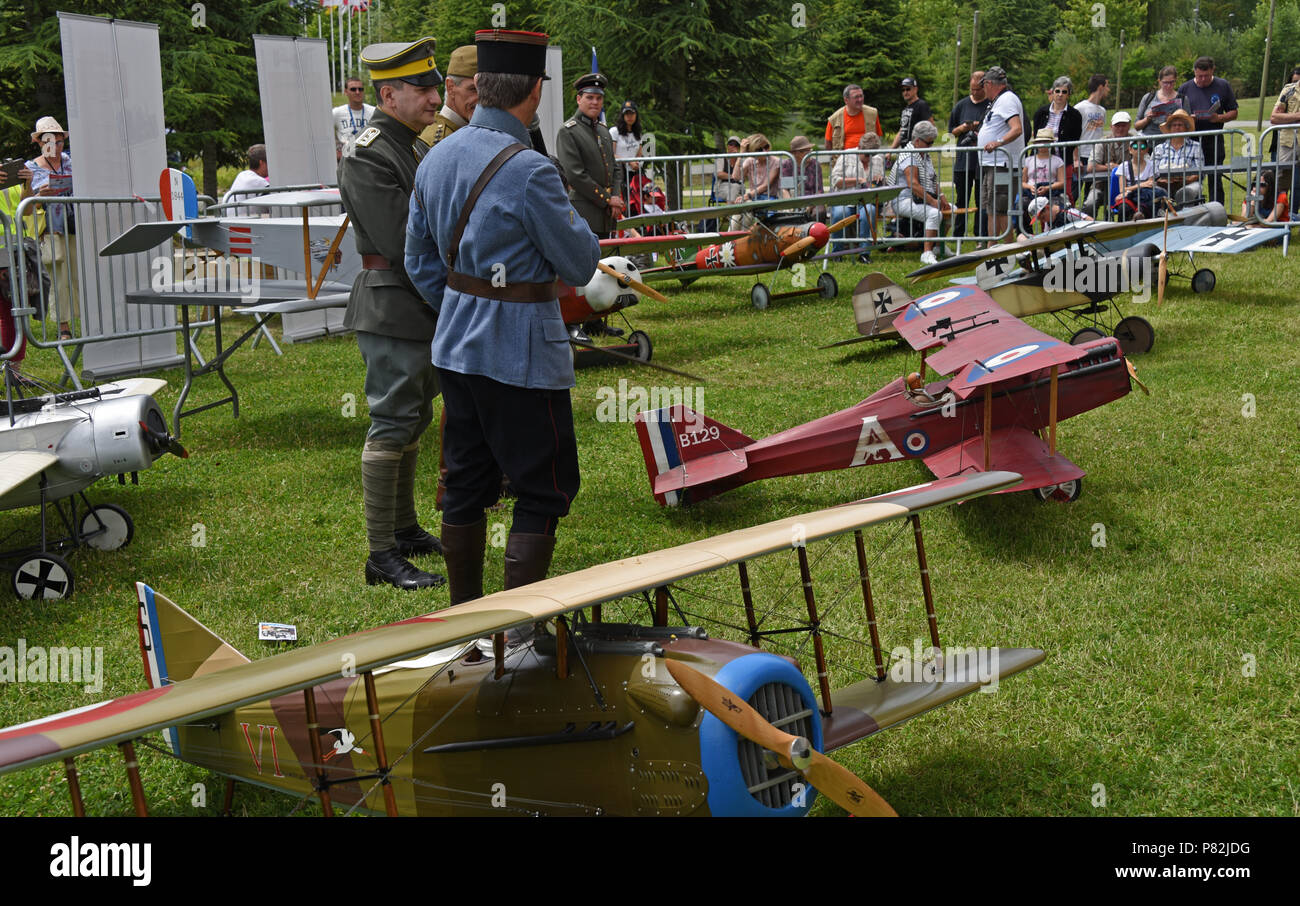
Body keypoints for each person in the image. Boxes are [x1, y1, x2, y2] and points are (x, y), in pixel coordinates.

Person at [405, 28, 601, 610]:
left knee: (464, 484)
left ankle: (463, 621)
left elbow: (417, 260)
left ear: (482, 87)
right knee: (544, 487)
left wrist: (463, 309)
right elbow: (582, 261)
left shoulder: (435, 156)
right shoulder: (531, 170)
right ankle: (518, 630)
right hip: (523, 355)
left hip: (456, 348)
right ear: (533, 92)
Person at [337, 37, 446, 591]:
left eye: (435, 86)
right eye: (423, 89)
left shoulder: (414, 145)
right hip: (395, 301)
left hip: (418, 302)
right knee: (391, 423)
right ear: (389, 93)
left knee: (414, 418)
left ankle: (403, 530)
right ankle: (381, 555)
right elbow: (406, 242)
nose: (435, 97)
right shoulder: (371, 151)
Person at [26, 116, 76, 340]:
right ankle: (63, 327)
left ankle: (87, 319)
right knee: (58, 278)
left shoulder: (70, 161)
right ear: (39, 142)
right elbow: (25, 204)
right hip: (50, 230)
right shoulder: (31, 168)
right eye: (49, 141)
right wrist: (39, 195)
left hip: (76, 226)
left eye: (59, 141)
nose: (55, 146)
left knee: (78, 275)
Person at [556, 72, 624, 237]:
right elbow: (575, 175)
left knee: (607, 260)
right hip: (584, 213)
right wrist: (608, 199)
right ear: (579, 99)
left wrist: (615, 197)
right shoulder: (568, 131)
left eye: (598, 98)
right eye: (590, 97)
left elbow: (615, 169)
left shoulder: (603, 130)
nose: (595, 102)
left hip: (607, 215)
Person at [1179, 57, 1237, 204]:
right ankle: (1191, 209)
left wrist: (1218, 118)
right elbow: (1177, 116)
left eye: (1207, 76)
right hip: (1190, 141)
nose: (1203, 79)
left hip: (1214, 139)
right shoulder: (1185, 88)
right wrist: (1188, 119)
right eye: (1200, 76)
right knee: (1191, 178)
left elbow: (1233, 112)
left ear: (1213, 71)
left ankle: (1217, 209)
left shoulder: (1223, 85)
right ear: (1194, 72)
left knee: (1215, 177)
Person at [976, 67, 1025, 240]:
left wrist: (998, 142)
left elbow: (1017, 128)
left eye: (983, 86)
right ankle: (993, 246)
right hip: (993, 164)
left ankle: (1006, 248)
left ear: (989, 84)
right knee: (991, 208)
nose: (983, 90)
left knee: (1001, 208)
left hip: (1002, 164)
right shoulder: (1000, 100)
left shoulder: (1007, 99)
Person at [891, 120, 947, 265]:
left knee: (951, 210)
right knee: (934, 213)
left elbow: (932, 179)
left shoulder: (923, 154)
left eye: (932, 142)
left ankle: (939, 247)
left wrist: (941, 197)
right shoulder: (909, 155)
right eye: (929, 143)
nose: (931, 146)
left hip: (918, 199)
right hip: (902, 200)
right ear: (917, 141)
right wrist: (933, 202)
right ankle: (926, 252)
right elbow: (913, 184)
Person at [948, 70, 990, 240]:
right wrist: (964, 128)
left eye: (977, 90)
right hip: (963, 161)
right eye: (971, 89)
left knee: (982, 199)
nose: (974, 93)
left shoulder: (990, 104)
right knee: (961, 199)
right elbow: (951, 131)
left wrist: (978, 127)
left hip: (982, 161)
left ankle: (980, 233)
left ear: (984, 87)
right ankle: (959, 233)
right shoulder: (961, 105)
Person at [419, 45, 478, 150]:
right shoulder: (438, 144)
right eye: (473, 89)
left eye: (486, 89)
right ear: (450, 87)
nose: (482, 98)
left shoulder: (470, 131)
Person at [1032, 76, 1082, 197]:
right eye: (1057, 91)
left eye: (1064, 92)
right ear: (1053, 92)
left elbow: (1075, 138)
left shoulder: (1074, 115)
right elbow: (1036, 134)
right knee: (1040, 194)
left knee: (1065, 195)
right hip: (1042, 162)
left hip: (1063, 161)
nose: (1060, 95)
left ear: (1068, 94)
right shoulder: (1041, 113)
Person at [830, 133, 885, 242]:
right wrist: (858, 181)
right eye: (866, 155)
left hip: (867, 201)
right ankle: (837, 251)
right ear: (859, 148)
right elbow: (835, 181)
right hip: (845, 199)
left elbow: (881, 185)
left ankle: (864, 253)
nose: (869, 159)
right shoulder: (846, 156)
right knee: (840, 213)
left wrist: (880, 180)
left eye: (872, 156)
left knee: (870, 211)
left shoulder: (878, 160)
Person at [1083, 110, 1132, 216]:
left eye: (1123, 125)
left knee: (1130, 205)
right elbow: (1091, 167)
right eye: (1117, 125)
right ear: (1111, 126)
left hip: (1128, 186)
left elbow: (1143, 163)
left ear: (1129, 126)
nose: (1120, 128)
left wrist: (1117, 167)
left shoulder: (1135, 141)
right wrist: (1110, 168)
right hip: (1101, 185)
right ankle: (1091, 229)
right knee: (1089, 204)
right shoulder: (1102, 142)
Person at [1152, 109, 1204, 207]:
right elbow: (1152, 170)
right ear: (1170, 128)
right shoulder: (1159, 148)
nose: (1177, 128)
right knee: (1154, 192)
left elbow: (1199, 171)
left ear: (1186, 128)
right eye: (1174, 125)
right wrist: (1160, 179)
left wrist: (1186, 180)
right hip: (1163, 183)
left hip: (1189, 183)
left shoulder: (1196, 146)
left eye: (1180, 125)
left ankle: (1186, 219)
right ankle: (1159, 219)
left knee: (1186, 192)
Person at [1021, 127, 1067, 230]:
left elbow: (1062, 182)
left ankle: (1054, 231)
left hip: (1051, 192)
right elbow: (1022, 182)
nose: (1043, 144)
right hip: (1031, 192)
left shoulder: (1058, 161)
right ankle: (1027, 233)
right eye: (1040, 141)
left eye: (1046, 141)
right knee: (1020, 206)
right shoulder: (1028, 160)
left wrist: (1047, 188)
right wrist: (1030, 187)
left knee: (1057, 207)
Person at [1075, 75, 1109, 196]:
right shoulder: (1080, 108)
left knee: (1092, 192)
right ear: (1100, 87)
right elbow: (1074, 134)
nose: (1108, 90)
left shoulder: (1102, 110)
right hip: (1082, 155)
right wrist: (1076, 159)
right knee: (1076, 190)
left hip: (1096, 156)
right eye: (1107, 86)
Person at [1113, 138, 1161, 220]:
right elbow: (1122, 189)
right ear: (1130, 149)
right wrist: (1141, 185)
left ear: (1146, 150)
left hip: (1145, 196)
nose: (1139, 149)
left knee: (1147, 205)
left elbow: (1150, 184)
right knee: (1123, 207)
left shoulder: (1151, 165)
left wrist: (1133, 188)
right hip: (1129, 196)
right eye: (1135, 147)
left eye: (1142, 146)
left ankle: (1140, 219)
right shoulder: (1124, 166)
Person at [1269, 68, 1300, 196]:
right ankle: (1279, 214)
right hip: (1289, 143)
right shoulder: (1289, 90)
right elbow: (1274, 117)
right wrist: (1298, 116)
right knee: (1281, 184)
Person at [825, 84, 883, 151]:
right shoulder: (834, 119)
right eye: (856, 97)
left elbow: (877, 136)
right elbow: (828, 144)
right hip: (844, 158)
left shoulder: (872, 113)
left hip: (868, 157)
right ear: (846, 100)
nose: (860, 99)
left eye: (861, 96)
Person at [1134, 66, 1186, 136]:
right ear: (1159, 81)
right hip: (1149, 141)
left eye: (1171, 82)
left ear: (1175, 80)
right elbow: (1136, 126)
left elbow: (1188, 125)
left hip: (1172, 142)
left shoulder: (1182, 99)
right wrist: (1147, 119)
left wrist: (1173, 120)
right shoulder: (1149, 97)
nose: (1168, 86)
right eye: (1165, 83)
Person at [221, 144, 270, 216]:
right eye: (269, 162)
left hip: (231, 222)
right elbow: (276, 206)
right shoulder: (259, 182)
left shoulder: (242, 175)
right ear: (261, 163)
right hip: (248, 224)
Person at [781, 135, 823, 218]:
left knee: (819, 212)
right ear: (796, 152)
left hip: (813, 200)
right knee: (787, 215)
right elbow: (785, 189)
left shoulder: (815, 164)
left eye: (810, 150)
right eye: (806, 151)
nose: (810, 153)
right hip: (793, 199)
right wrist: (791, 206)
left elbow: (819, 191)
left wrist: (810, 205)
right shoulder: (787, 165)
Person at [334, 76, 377, 155]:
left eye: (360, 89)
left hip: (369, 157)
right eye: (353, 89)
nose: (357, 92)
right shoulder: (337, 113)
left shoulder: (374, 112)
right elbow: (323, 133)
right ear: (346, 92)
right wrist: (336, 148)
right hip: (347, 158)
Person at [890, 77, 934, 150]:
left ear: (915, 89)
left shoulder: (921, 105)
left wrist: (926, 146)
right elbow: (902, 131)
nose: (905, 92)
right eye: (903, 90)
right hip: (905, 150)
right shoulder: (905, 109)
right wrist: (891, 151)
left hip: (916, 150)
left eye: (908, 89)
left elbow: (931, 127)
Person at [610, 100, 644, 173]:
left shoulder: (638, 134)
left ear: (636, 115)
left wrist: (636, 163)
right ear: (622, 116)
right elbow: (611, 154)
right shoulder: (614, 131)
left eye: (632, 113)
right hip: (618, 172)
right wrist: (629, 162)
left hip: (634, 173)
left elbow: (639, 155)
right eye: (626, 114)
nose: (629, 116)